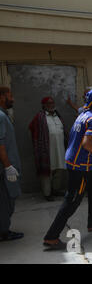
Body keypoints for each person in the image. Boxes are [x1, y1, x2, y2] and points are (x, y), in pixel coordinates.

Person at [43, 89, 92, 250]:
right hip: (80, 166)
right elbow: (87, 144)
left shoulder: (83, 114)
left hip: (80, 162)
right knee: (72, 201)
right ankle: (51, 237)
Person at [29, 97, 68, 201]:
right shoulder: (40, 117)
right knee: (47, 173)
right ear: (44, 105)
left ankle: (55, 190)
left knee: (59, 169)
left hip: (60, 148)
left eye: (52, 103)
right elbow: (32, 128)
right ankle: (47, 193)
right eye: (48, 103)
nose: (51, 105)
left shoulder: (57, 115)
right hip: (46, 150)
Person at [0, 86, 24, 242]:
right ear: (2, 97)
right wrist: (8, 166)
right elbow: (0, 144)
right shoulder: (0, 116)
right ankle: (3, 232)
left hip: (6, 168)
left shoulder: (4, 115)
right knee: (5, 202)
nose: (13, 99)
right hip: (4, 170)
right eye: (10, 95)